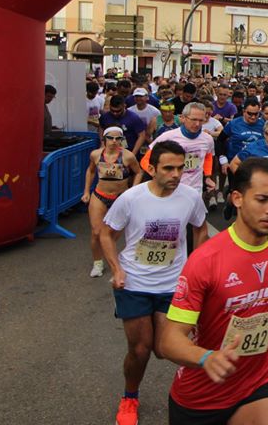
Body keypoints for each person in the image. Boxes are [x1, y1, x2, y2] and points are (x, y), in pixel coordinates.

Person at [159, 157, 268, 425]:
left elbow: (264, 294)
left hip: (257, 382)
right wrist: (207, 357)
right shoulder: (205, 260)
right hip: (201, 396)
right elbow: (169, 341)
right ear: (237, 198)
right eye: (262, 199)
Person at [99, 141, 209, 425]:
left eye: (180, 168)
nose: (175, 174)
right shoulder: (132, 198)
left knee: (165, 349)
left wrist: (195, 268)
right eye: (168, 168)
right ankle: (129, 397)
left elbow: (200, 228)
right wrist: (116, 270)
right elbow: (106, 235)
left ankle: (193, 393)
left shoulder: (190, 197)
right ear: (151, 168)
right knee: (140, 349)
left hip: (172, 285)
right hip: (134, 283)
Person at [81, 127, 141, 277]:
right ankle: (97, 263)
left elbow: (139, 172)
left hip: (120, 198)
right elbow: (91, 171)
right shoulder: (95, 154)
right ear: (104, 139)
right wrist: (86, 192)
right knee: (96, 232)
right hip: (100, 196)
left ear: (121, 140)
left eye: (117, 139)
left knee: (113, 235)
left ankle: (115, 264)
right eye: (110, 138)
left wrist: (132, 191)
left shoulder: (128, 156)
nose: (114, 142)